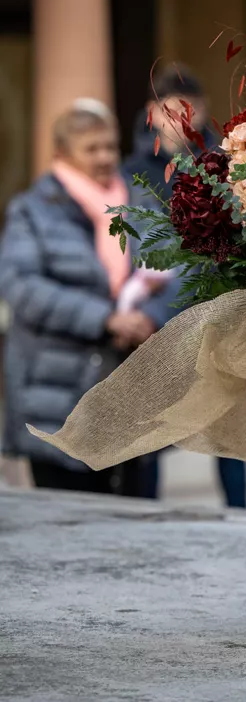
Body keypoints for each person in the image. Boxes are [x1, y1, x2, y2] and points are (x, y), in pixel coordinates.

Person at [0, 101, 165, 493]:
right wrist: (105, 319)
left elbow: (178, 269)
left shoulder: (140, 204)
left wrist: (151, 316)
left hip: (130, 395)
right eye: (91, 148)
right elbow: (20, 286)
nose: (105, 156)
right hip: (57, 395)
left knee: (137, 525)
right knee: (68, 528)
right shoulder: (33, 211)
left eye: (110, 146)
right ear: (61, 153)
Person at [124, 66, 246, 508]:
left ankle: (239, 523)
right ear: (150, 113)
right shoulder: (132, 174)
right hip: (151, 329)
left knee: (227, 437)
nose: (177, 119)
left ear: (202, 112)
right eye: (167, 109)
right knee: (150, 438)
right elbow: (127, 255)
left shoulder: (228, 166)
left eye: (186, 109)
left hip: (216, 322)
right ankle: (147, 522)